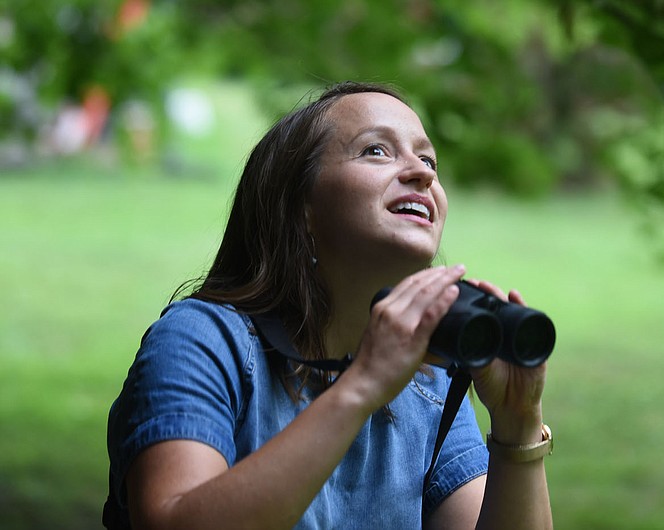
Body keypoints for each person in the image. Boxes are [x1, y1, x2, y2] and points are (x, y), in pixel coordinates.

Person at [104, 81, 553, 529]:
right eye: (376, 150)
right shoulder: (202, 340)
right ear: (300, 207)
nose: (423, 174)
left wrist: (518, 425)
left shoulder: (428, 385)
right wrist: (363, 386)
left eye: (428, 159)